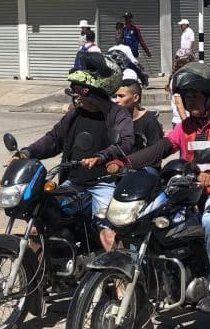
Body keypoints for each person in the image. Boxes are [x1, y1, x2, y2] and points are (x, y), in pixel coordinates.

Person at [105, 62, 210, 314]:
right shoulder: (186, 127)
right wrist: (125, 162)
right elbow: (160, 148)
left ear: (209, 95)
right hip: (189, 192)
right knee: (150, 219)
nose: (190, 101)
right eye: (186, 96)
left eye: (195, 95)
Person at [19, 54, 135, 253]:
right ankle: (39, 276)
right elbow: (53, 139)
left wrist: (102, 157)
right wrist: (27, 152)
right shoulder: (74, 114)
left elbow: (126, 142)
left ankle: (122, 280)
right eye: (74, 89)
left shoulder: (117, 114)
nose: (76, 94)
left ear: (96, 92)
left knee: (109, 235)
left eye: (80, 89)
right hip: (73, 183)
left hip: (103, 184)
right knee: (40, 223)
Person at [112, 80, 164, 159]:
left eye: (121, 96)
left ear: (135, 97)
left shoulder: (149, 120)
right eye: (115, 96)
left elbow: (157, 153)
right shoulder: (115, 120)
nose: (116, 100)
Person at [167, 49, 193, 128]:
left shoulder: (180, 77)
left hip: (183, 120)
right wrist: (187, 124)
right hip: (182, 121)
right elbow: (179, 103)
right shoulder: (180, 79)